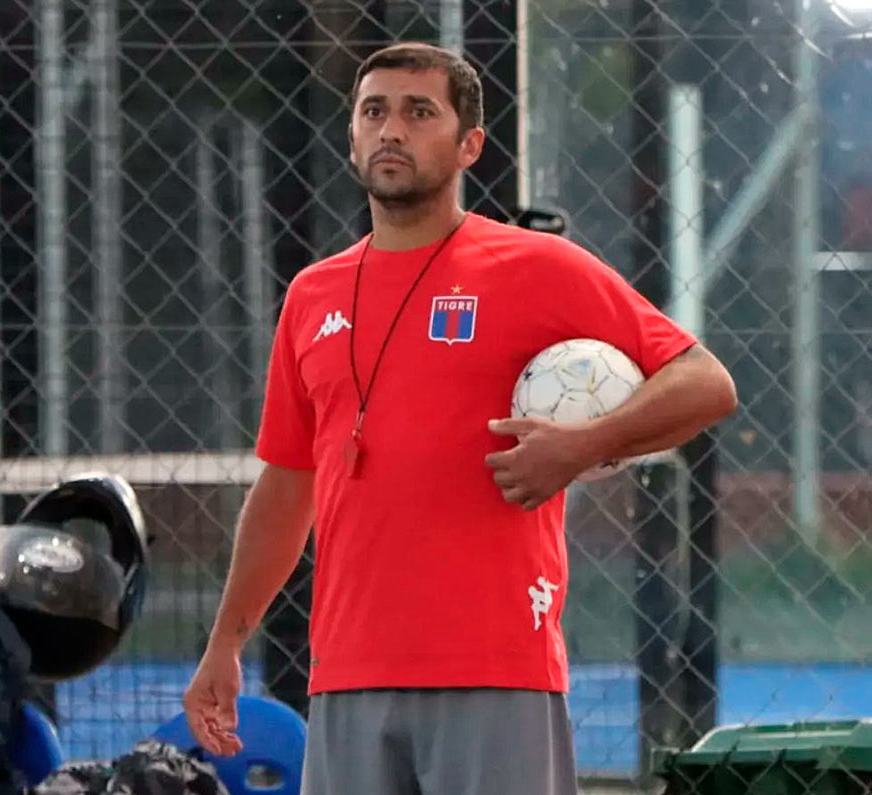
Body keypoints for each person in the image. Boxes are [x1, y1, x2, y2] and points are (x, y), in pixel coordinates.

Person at [183, 41, 738, 795]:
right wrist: (226, 642)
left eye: (419, 112)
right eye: (373, 111)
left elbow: (705, 382)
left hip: (496, 666)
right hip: (347, 672)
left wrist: (581, 447)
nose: (391, 130)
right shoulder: (311, 297)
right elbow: (286, 487)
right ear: (350, 134)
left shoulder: (535, 267)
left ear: (469, 143)